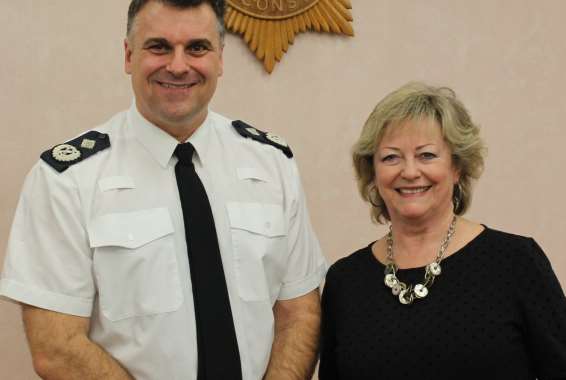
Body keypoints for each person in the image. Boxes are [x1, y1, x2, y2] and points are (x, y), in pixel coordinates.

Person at [0, 1, 326, 379]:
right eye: (158, 47)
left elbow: (299, 312)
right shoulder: (66, 179)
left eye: (197, 48)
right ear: (128, 55)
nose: (177, 65)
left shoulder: (272, 164)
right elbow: (56, 347)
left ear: (220, 58)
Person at [319, 82, 566, 379]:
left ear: (457, 166)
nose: (409, 172)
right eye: (391, 157)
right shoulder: (345, 282)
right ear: (373, 172)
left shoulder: (515, 262)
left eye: (426, 155)